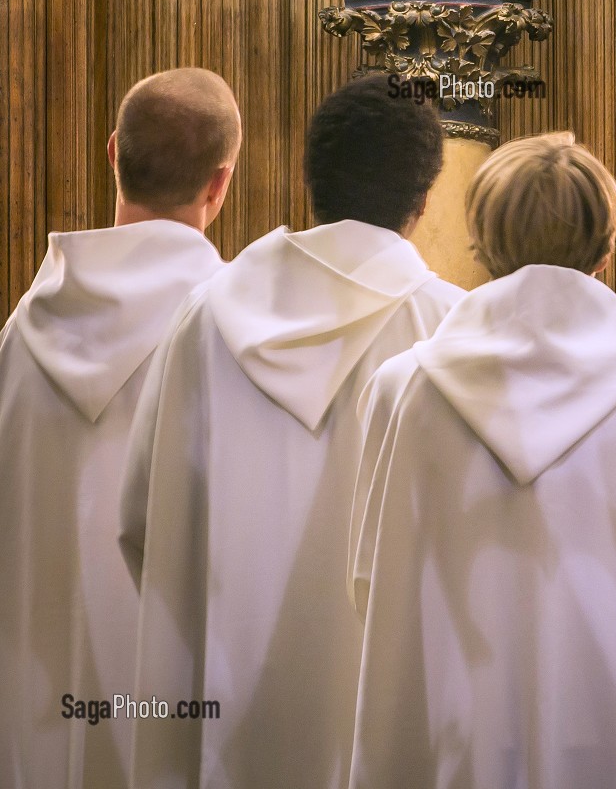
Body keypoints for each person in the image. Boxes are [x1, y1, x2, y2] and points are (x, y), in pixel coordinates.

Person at [348, 131, 616, 789]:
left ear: (482, 245)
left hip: (454, 724)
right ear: (606, 249)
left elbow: (366, 576)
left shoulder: (403, 387)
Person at [119, 74, 463, 789]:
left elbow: (141, 523)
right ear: (423, 200)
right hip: (398, 724)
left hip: (228, 716)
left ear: (312, 179)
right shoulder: (455, 332)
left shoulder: (206, 316)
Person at [0, 68, 241, 789]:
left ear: (112, 153)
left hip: (29, 710)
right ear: (218, 184)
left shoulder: (21, 333)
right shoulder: (236, 335)